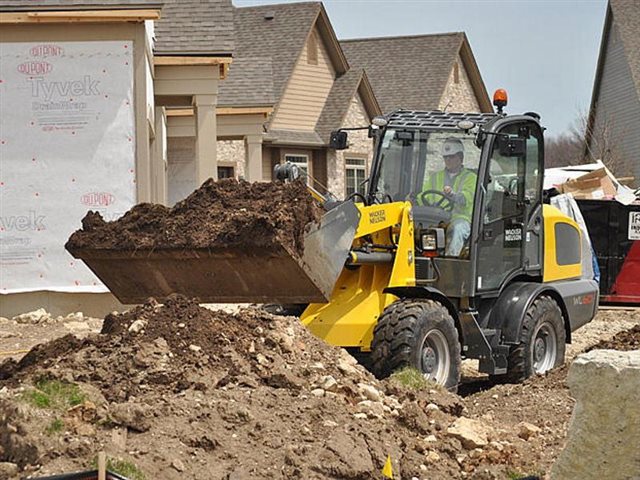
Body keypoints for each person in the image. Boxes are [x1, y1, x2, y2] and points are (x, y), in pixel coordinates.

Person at [421, 137, 477, 256]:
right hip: (436, 218)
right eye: (446, 157)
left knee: (456, 230)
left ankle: (450, 262)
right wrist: (414, 200)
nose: (448, 160)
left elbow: (467, 198)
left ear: (460, 158)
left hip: (461, 219)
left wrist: (453, 195)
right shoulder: (435, 177)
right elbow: (424, 195)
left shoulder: (471, 178)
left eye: (451, 157)